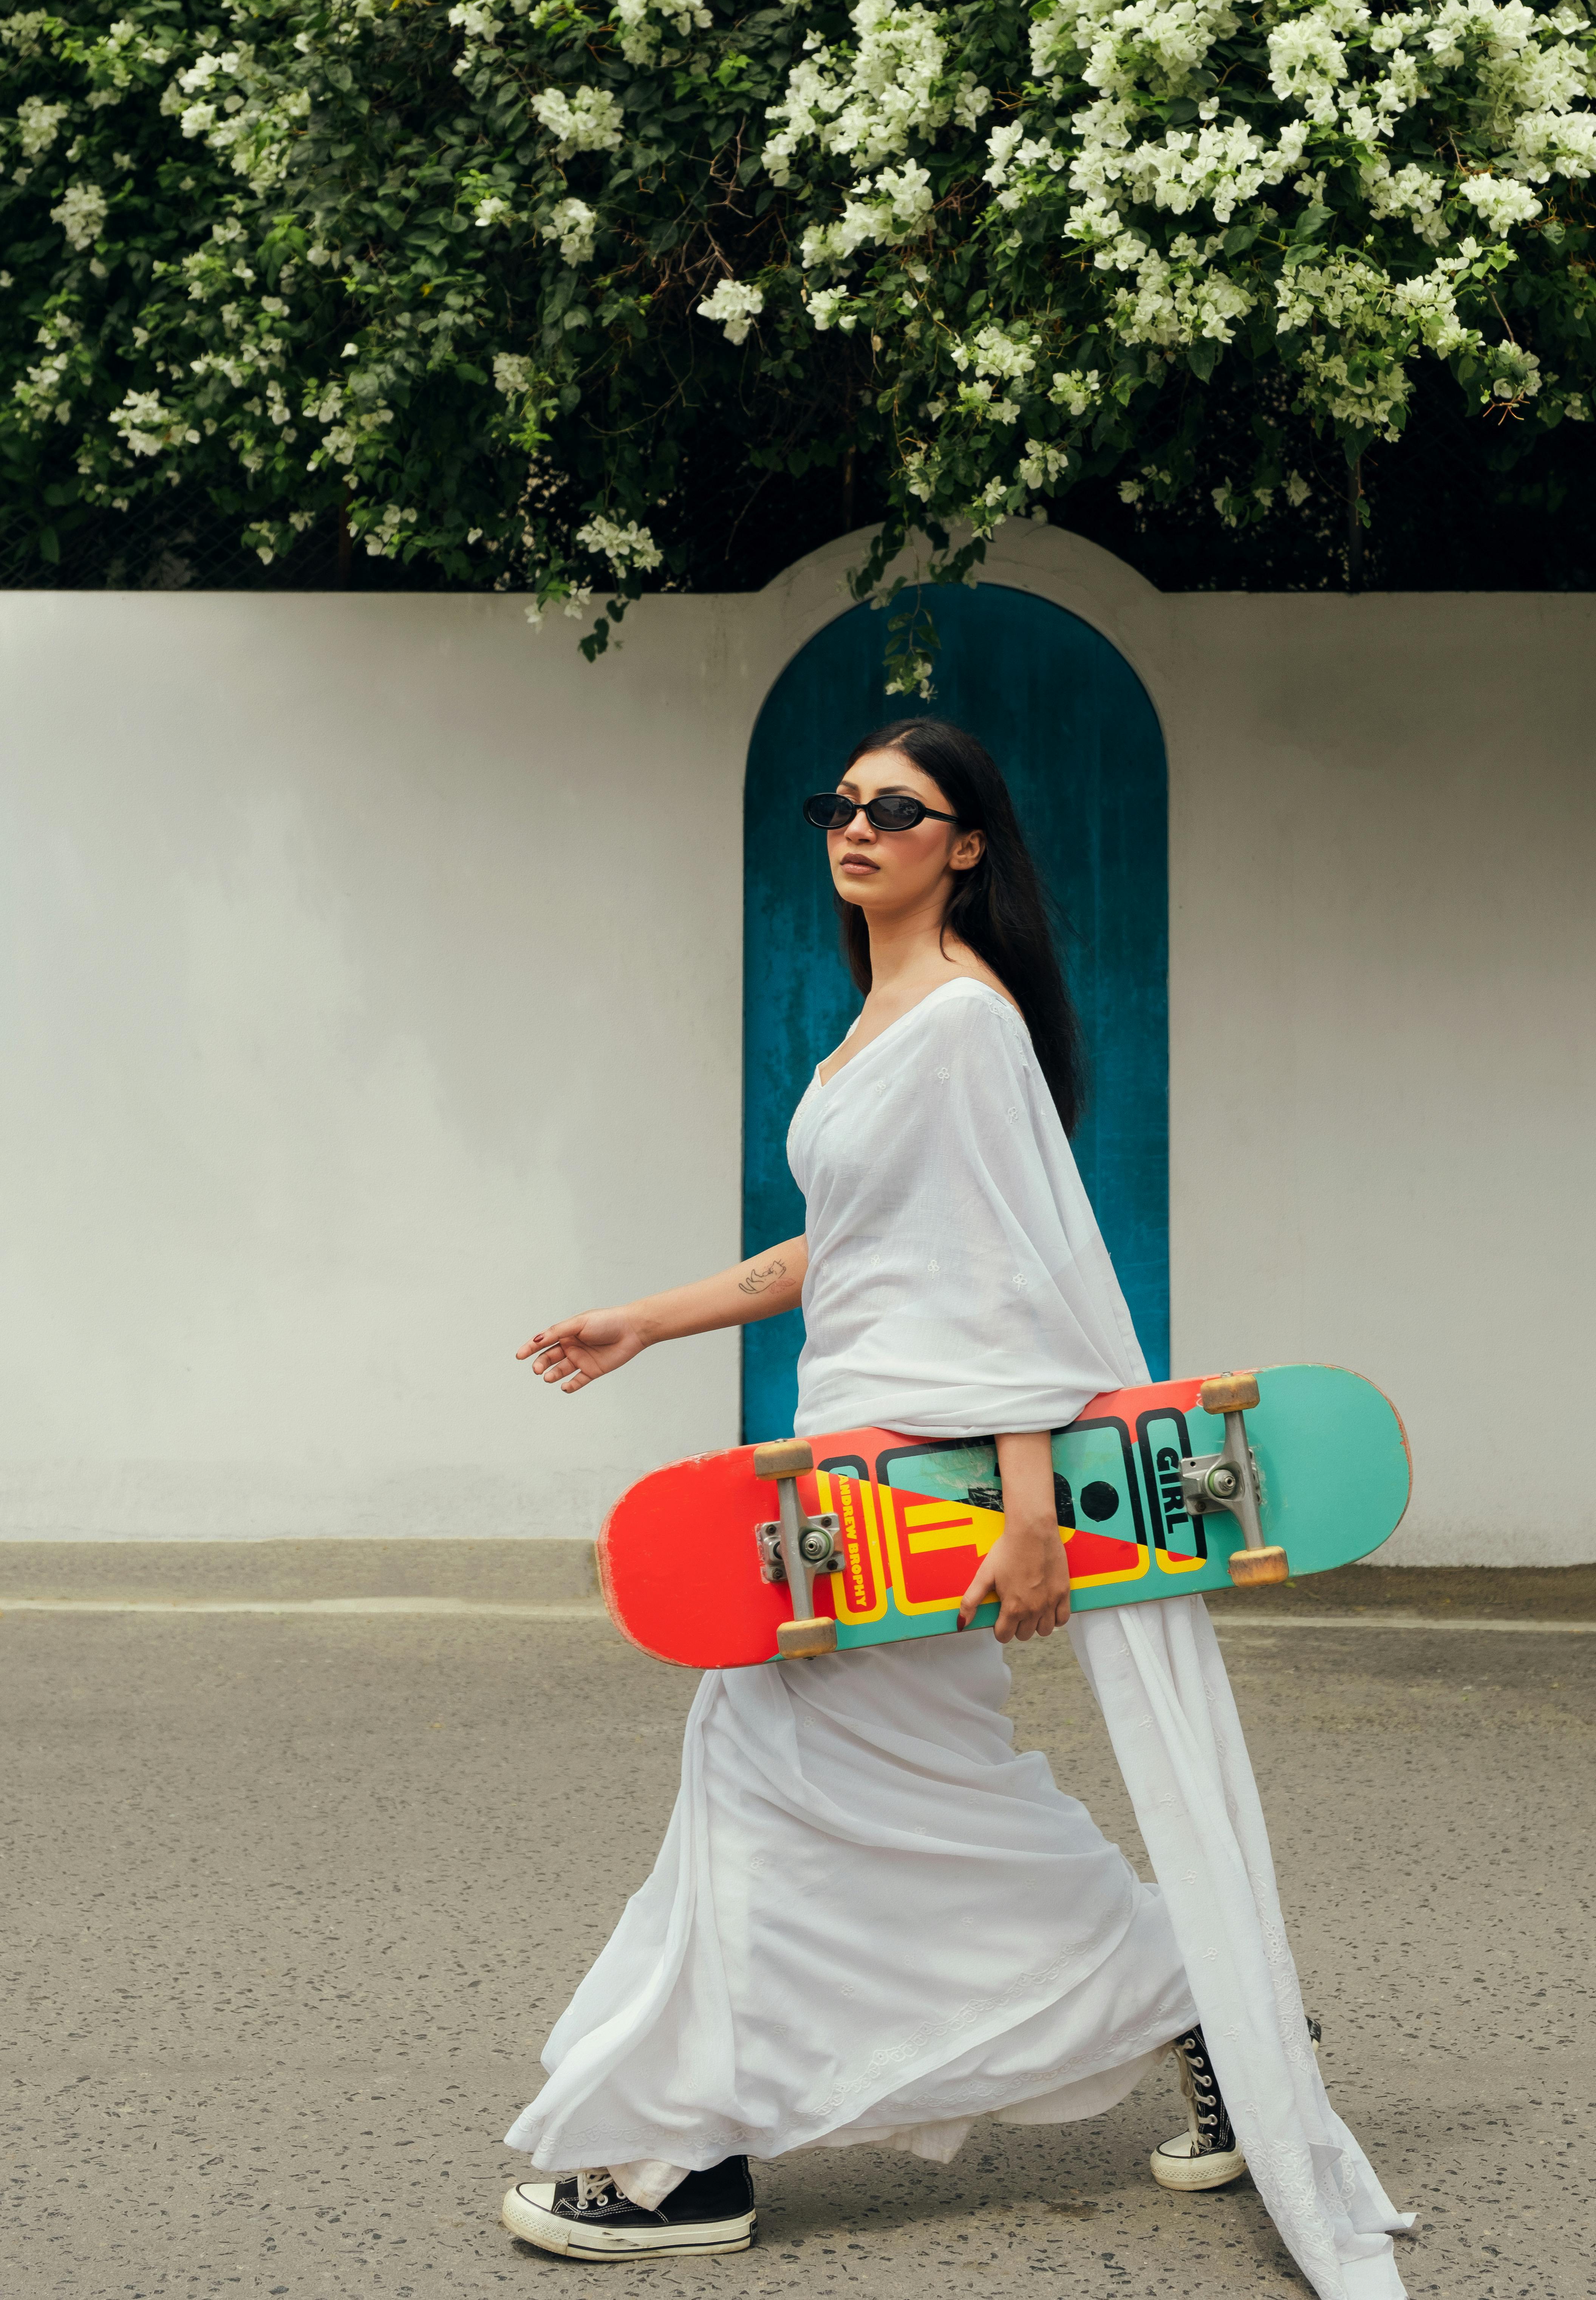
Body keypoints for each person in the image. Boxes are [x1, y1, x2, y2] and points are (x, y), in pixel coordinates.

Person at [498, 719, 1415, 2296]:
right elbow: (842, 1252)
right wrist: (647, 1318)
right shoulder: (885, 1018)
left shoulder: (967, 1026)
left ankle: (693, 2156)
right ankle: (1195, 1993)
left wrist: (1031, 1514)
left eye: (896, 810)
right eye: (840, 806)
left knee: (782, 1791)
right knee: (873, 1796)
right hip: (841, 1491)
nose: (857, 828)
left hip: (922, 1498)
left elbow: (1009, 1294)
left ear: (965, 845)